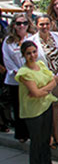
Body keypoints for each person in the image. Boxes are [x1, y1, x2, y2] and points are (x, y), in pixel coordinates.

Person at [15, 41, 58, 164]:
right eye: (28, 53)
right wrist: (48, 87)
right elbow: (36, 93)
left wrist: (44, 89)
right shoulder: (24, 73)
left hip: (46, 106)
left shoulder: (40, 65)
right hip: (33, 111)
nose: (32, 55)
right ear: (23, 55)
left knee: (46, 139)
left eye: (34, 52)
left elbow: (53, 81)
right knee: (37, 141)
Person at [31, 15, 58, 149]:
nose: (44, 27)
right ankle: (49, 136)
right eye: (41, 24)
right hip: (43, 80)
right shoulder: (31, 41)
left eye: (47, 24)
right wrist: (48, 76)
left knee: (56, 107)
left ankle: (57, 134)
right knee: (45, 108)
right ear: (36, 25)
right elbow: (31, 62)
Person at [2, 13, 35, 142]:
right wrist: (20, 74)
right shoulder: (9, 41)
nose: (22, 26)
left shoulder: (33, 38)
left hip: (33, 79)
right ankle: (21, 134)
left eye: (25, 23)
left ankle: (33, 132)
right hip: (16, 81)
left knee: (32, 107)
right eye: (19, 23)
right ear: (14, 25)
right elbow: (7, 60)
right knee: (18, 107)